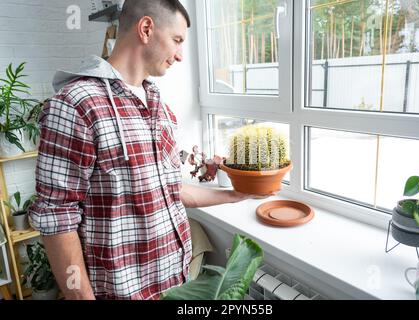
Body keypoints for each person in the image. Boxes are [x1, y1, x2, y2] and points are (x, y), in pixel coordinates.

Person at [29, 0, 269, 300]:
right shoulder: (76, 105)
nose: (180, 55)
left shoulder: (160, 109)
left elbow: (173, 190)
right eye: (177, 40)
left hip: (175, 285)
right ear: (146, 29)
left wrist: (237, 194)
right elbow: (57, 219)